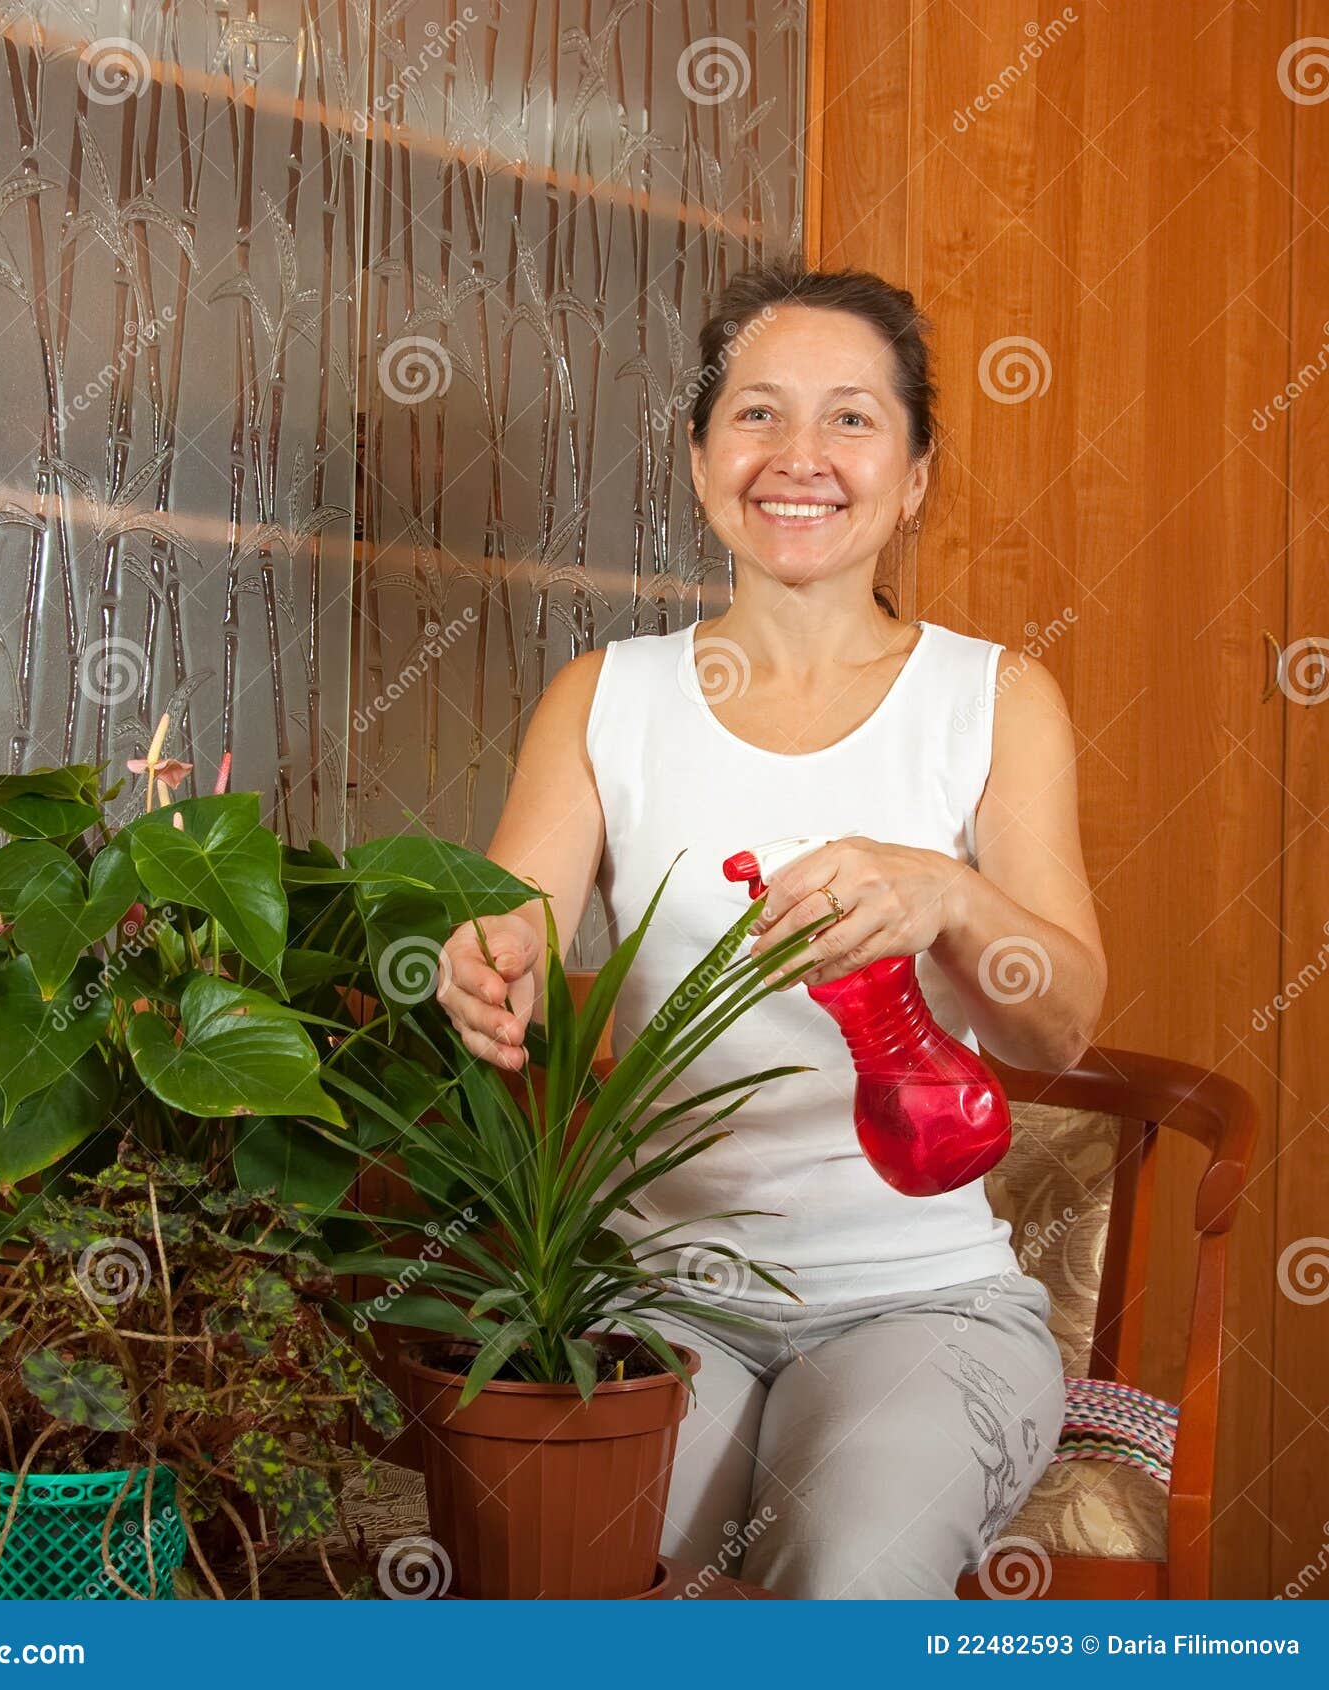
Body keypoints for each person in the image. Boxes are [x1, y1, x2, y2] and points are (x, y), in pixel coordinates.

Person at [433, 254, 1107, 1599]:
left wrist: (949, 896)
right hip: (653, 1297)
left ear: (914, 476)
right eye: (757, 413)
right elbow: (514, 923)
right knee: (573, 1573)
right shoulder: (605, 697)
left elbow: (1066, 1024)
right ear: (700, 461)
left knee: (846, 1577)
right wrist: (485, 965)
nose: (800, 456)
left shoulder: (994, 699)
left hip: (922, 1301)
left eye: (852, 417)